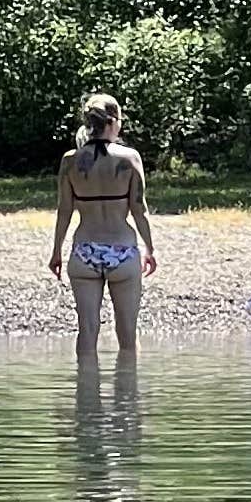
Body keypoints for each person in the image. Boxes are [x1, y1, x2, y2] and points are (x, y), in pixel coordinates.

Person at [48, 93, 157, 359]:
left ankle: (86, 397)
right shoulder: (130, 158)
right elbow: (138, 208)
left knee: (87, 331)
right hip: (122, 249)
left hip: (85, 250)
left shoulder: (70, 161)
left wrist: (56, 252)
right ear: (112, 121)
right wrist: (150, 248)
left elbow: (64, 211)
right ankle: (127, 394)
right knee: (128, 334)